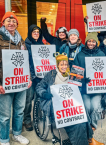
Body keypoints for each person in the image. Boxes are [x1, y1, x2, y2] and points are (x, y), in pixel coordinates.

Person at [36, 53, 93, 145]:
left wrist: (82, 82)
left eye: (66, 64)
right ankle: (80, 140)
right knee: (73, 122)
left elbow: (77, 90)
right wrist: (44, 93)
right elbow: (39, 86)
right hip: (54, 103)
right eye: (61, 64)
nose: (64, 67)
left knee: (82, 116)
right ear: (57, 65)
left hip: (69, 102)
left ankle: (88, 138)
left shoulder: (72, 75)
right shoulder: (50, 75)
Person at [0, 12, 32, 145]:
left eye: (13, 21)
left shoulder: (21, 40)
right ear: (3, 23)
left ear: (17, 24)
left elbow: (25, 62)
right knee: (5, 115)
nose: (11, 23)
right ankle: (4, 139)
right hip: (5, 83)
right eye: (8, 21)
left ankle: (17, 134)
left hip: (21, 82)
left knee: (19, 111)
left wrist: (28, 78)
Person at [74, 32, 105, 145]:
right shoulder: (80, 55)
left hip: (97, 88)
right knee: (87, 107)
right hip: (84, 89)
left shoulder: (101, 54)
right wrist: (81, 80)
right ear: (86, 42)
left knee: (96, 107)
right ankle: (88, 132)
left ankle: (92, 127)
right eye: (89, 41)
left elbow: (105, 72)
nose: (91, 43)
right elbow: (75, 72)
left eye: (93, 41)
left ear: (96, 43)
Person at [23, 24, 43, 131]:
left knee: (38, 96)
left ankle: (37, 115)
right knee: (28, 98)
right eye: (34, 32)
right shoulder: (25, 45)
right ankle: (26, 120)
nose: (36, 34)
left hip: (40, 76)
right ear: (30, 33)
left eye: (38, 32)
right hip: (30, 75)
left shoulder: (41, 44)